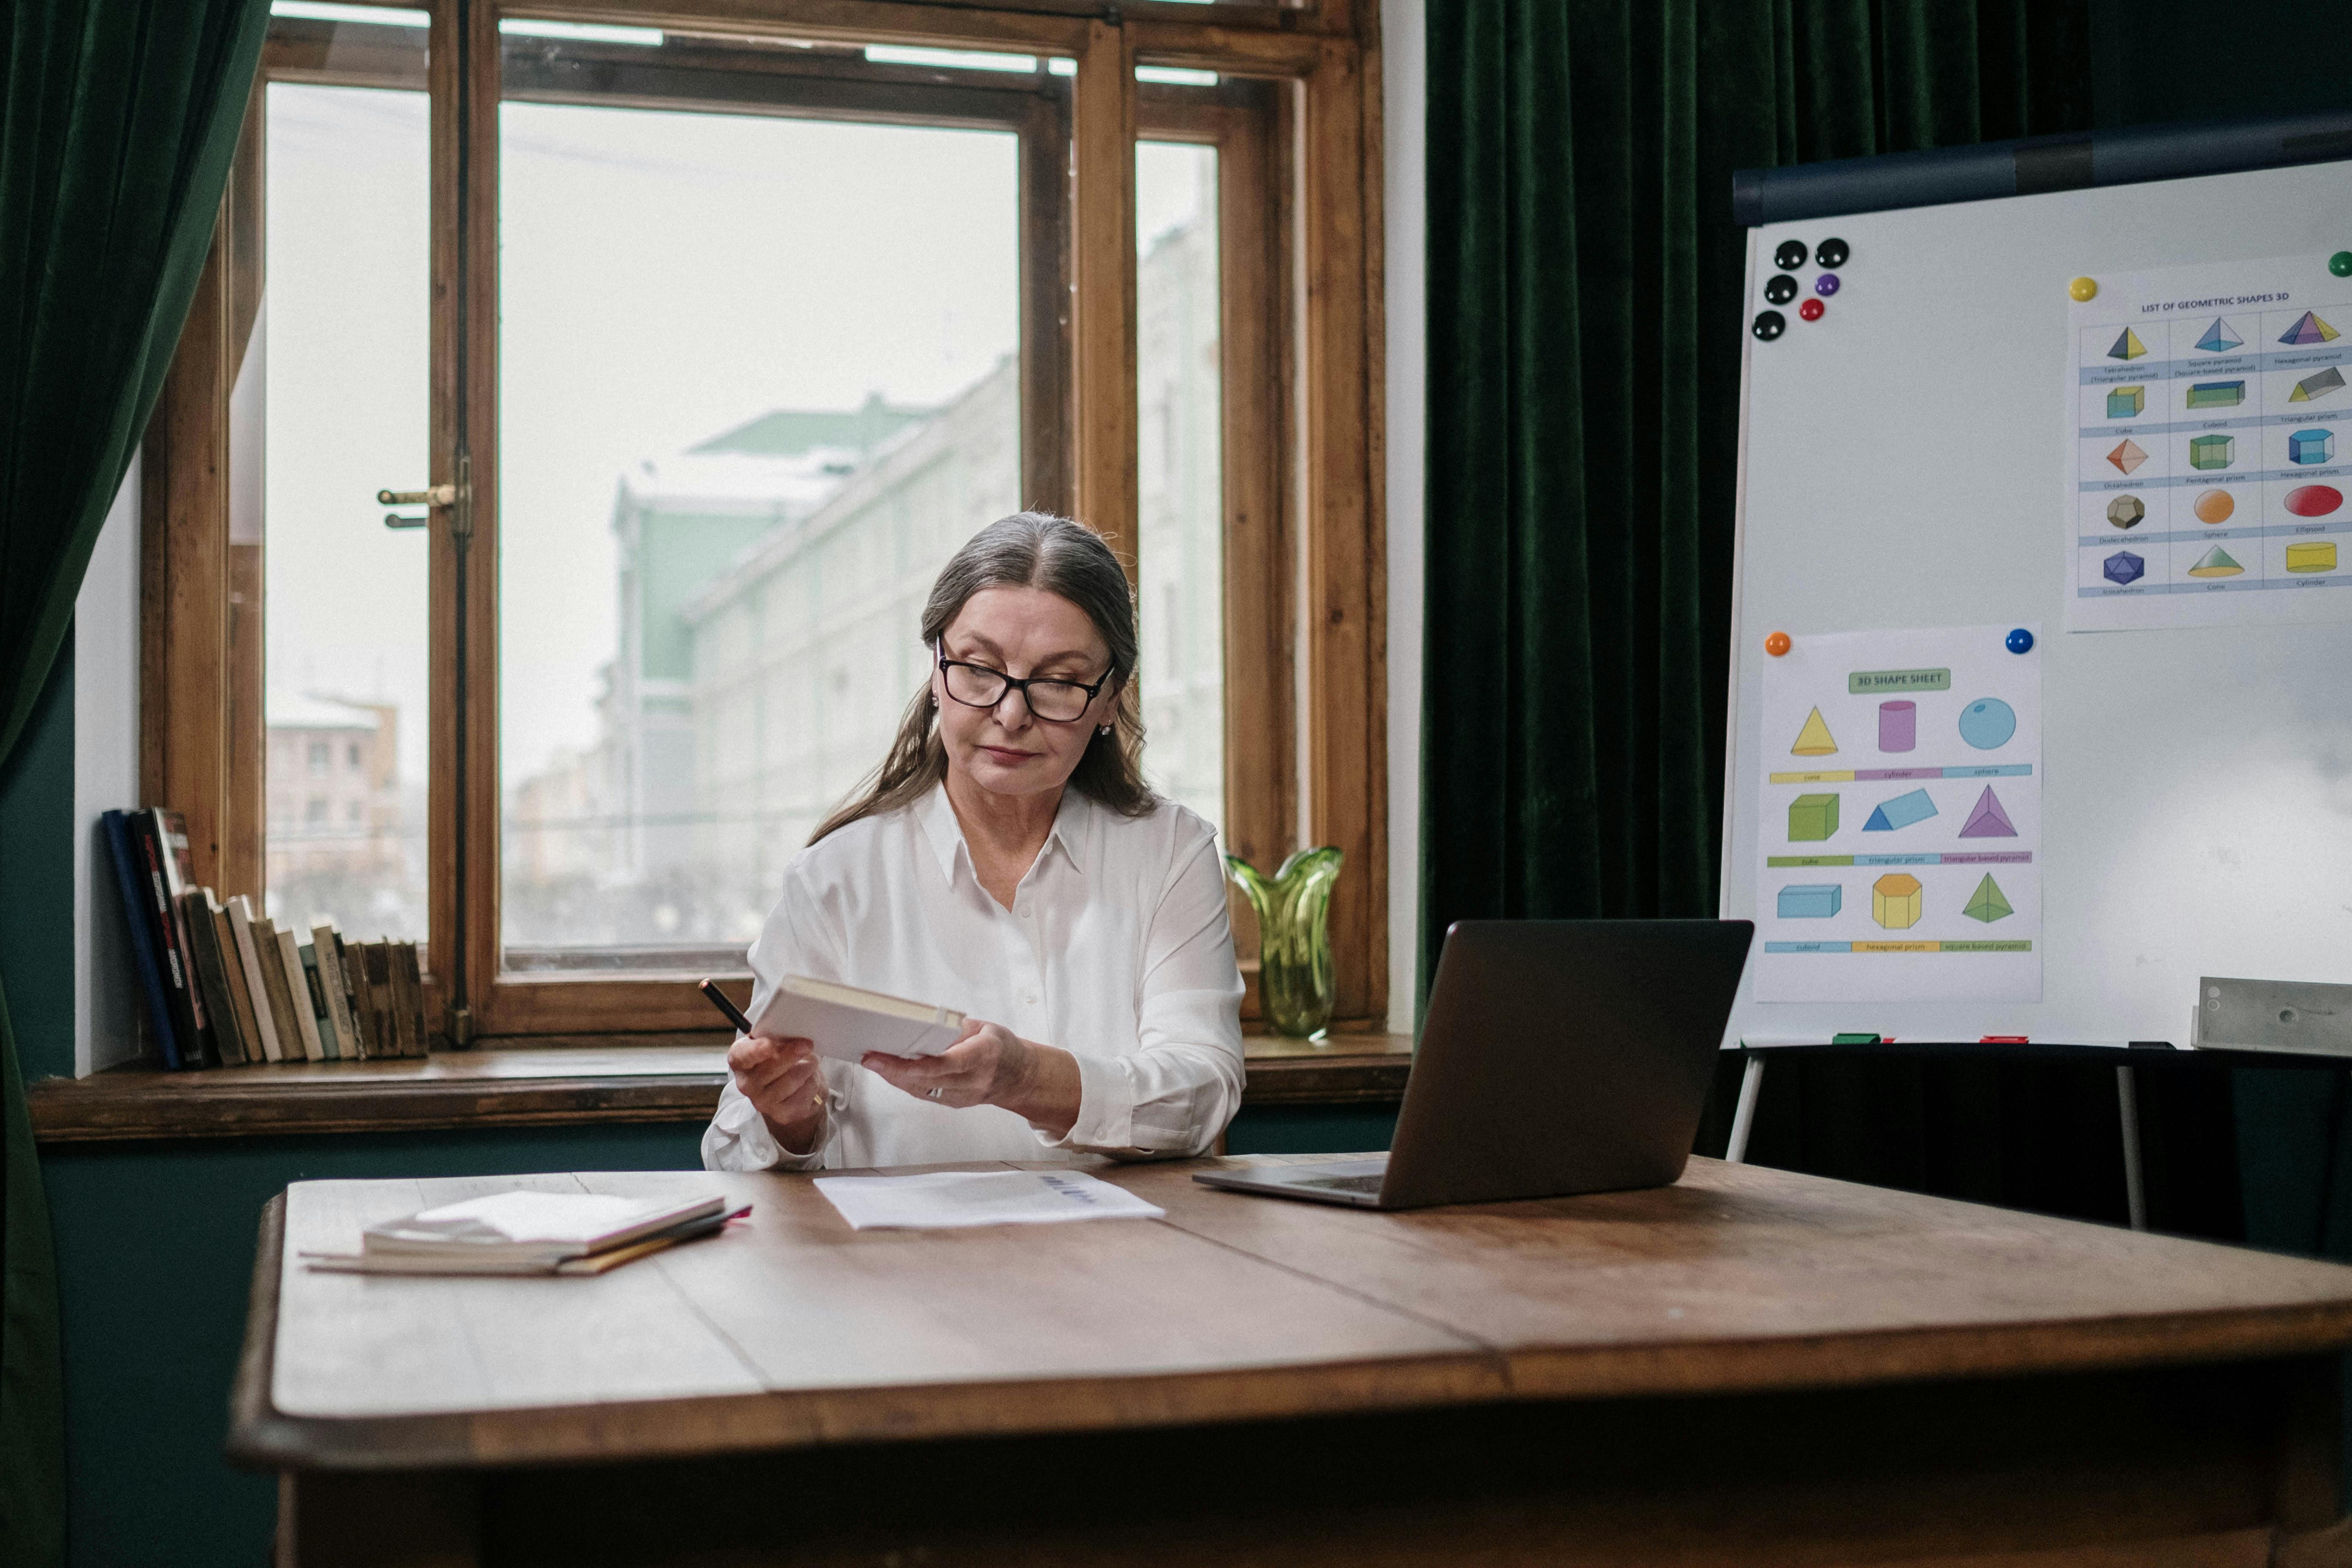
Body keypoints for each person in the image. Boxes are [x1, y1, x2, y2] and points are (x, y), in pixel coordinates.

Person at [701, 511, 1245, 1172]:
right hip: (899, 1267)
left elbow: (1204, 1088)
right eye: (979, 670)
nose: (1011, 715)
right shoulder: (835, 879)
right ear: (936, 670)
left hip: (1117, 1261)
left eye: (1058, 682)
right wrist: (789, 1120)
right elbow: (732, 1147)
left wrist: (1023, 1078)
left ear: (1109, 701)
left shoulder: (1170, 852)